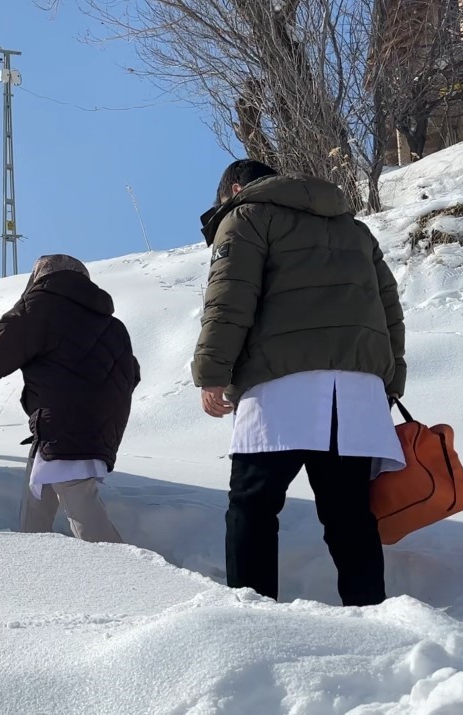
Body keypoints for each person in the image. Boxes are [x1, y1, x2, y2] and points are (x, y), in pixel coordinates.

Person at [194, 159, 406, 607]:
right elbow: (390, 310)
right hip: (355, 395)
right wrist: (389, 382)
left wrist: (212, 375)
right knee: (349, 515)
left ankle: (253, 615)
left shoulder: (246, 215)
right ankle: (371, 617)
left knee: (252, 506)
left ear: (234, 188)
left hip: (281, 389)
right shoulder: (356, 230)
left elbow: (229, 299)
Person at [0, 255, 140, 543]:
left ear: (39, 277)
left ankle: (127, 577)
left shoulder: (36, 309)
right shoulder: (112, 324)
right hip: (99, 427)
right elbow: (132, 374)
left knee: (82, 505)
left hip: (62, 425)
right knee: (39, 497)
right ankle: (32, 566)